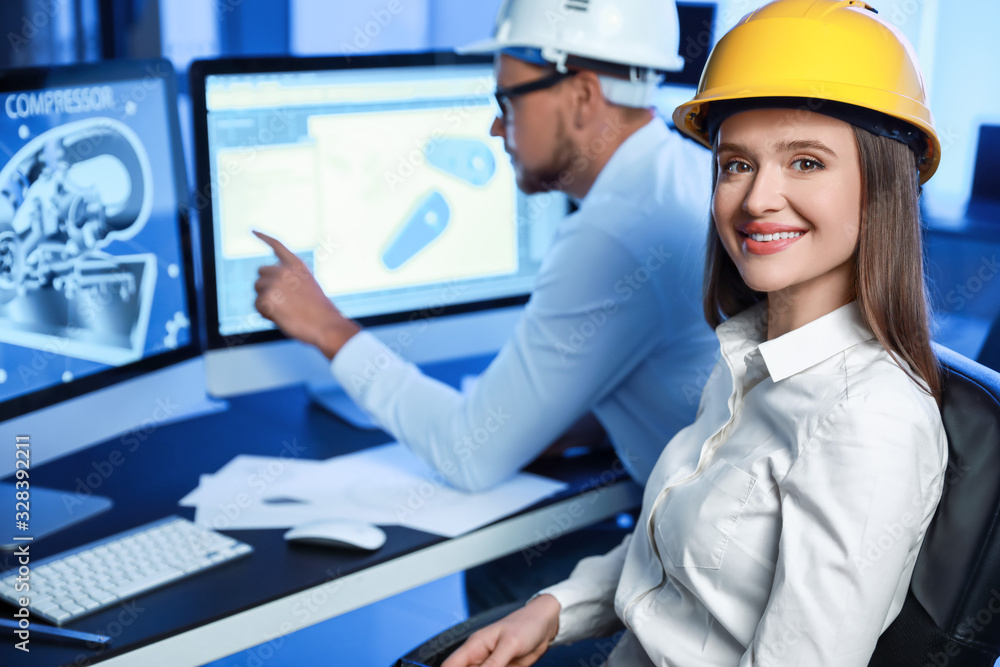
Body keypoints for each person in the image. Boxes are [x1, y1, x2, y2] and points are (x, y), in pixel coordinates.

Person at [441, 1, 950, 665]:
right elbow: (683, 542)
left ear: (881, 185)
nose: (758, 197)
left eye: (805, 162)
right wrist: (554, 608)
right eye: (737, 163)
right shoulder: (749, 359)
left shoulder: (867, 422)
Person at [252, 0, 717, 495]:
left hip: (699, 553)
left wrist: (325, 325)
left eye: (507, 101)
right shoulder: (687, 171)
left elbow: (467, 455)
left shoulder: (614, 235)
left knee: (504, 576)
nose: (496, 128)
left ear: (582, 96)